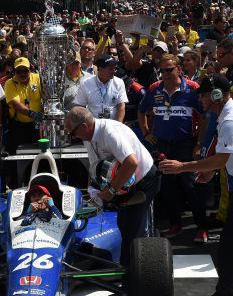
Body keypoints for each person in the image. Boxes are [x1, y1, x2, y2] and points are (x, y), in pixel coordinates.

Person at [159, 73, 233, 296]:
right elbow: (225, 158)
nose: (200, 100)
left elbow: (220, 159)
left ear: (215, 96)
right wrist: (211, 169)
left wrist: (182, 167)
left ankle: (226, 295)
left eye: (202, 95)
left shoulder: (231, 119)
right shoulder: (232, 113)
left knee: (231, 241)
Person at [64, 106, 159, 266]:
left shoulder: (110, 132)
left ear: (84, 126)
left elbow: (132, 162)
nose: (73, 137)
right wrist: (92, 192)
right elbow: (94, 167)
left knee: (132, 231)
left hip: (143, 180)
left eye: (73, 133)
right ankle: (128, 272)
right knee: (123, 224)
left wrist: (111, 191)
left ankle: (131, 281)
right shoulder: (88, 137)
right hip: (126, 180)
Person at [137, 53, 208, 243]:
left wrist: (199, 144)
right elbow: (141, 110)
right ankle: (175, 223)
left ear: (179, 68)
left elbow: (204, 117)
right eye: (162, 70)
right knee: (168, 187)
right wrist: (145, 133)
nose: (165, 74)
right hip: (162, 144)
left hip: (186, 144)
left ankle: (201, 227)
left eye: (169, 70)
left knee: (190, 186)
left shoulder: (192, 89)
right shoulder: (154, 88)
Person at [4, 57, 43, 155]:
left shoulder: (38, 78)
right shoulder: (10, 83)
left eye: (25, 70)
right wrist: (31, 113)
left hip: (37, 126)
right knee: (15, 155)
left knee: (39, 154)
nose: (22, 74)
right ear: (14, 71)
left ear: (31, 70)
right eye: (19, 71)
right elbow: (15, 104)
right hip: (18, 126)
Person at [74, 54, 128, 122]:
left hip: (113, 125)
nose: (114, 71)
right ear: (100, 70)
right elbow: (81, 107)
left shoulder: (119, 82)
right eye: (111, 69)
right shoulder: (86, 83)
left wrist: (118, 126)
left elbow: (121, 106)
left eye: (114, 68)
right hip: (93, 126)